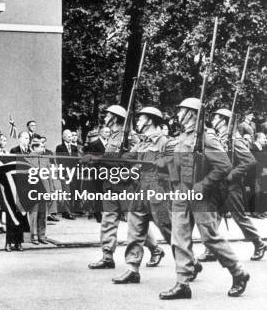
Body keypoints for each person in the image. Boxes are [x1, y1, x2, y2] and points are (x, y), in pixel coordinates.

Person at [159, 98, 249, 300]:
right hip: (181, 194)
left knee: (210, 238)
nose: (178, 114)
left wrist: (202, 186)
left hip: (201, 196)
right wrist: (161, 164)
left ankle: (239, 272)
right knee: (179, 239)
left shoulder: (207, 138)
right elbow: (177, 163)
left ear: (191, 114)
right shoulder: (183, 137)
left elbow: (224, 166)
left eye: (181, 111)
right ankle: (183, 283)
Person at [88, 105, 161, 269]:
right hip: (110, 183)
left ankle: (155, 249)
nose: (105, 117)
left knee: (135, 221)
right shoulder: (113, 136)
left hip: (127, 185)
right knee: (108, 219)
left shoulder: (130, 136)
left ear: (114, 117)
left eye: (108, 115)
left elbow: (140, 156)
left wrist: (129, 171)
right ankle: (107, 256)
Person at [195, 109, 265, 261]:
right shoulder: (218, 138)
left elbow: (250, 161)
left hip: (231, 186)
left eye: (216, 118)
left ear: (224, 121)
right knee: (214, 218)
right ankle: (211, 250)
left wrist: (231, 176)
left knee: (239, 217)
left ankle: (259, 243)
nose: (213, 120)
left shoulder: (234, 140)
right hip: (218, 185)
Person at [112, 107, 171, 284]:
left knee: (170, 231)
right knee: (135, 230)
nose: (137, 122)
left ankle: (190, 262)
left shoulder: (165, 142)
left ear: (150, 121)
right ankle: (132, 268)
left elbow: (175, 160)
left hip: (157, 191)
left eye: (140, 118)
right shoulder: (142, 143)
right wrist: (96, 158)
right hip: (139, 191)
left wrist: (154, 163)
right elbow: (126, 158)